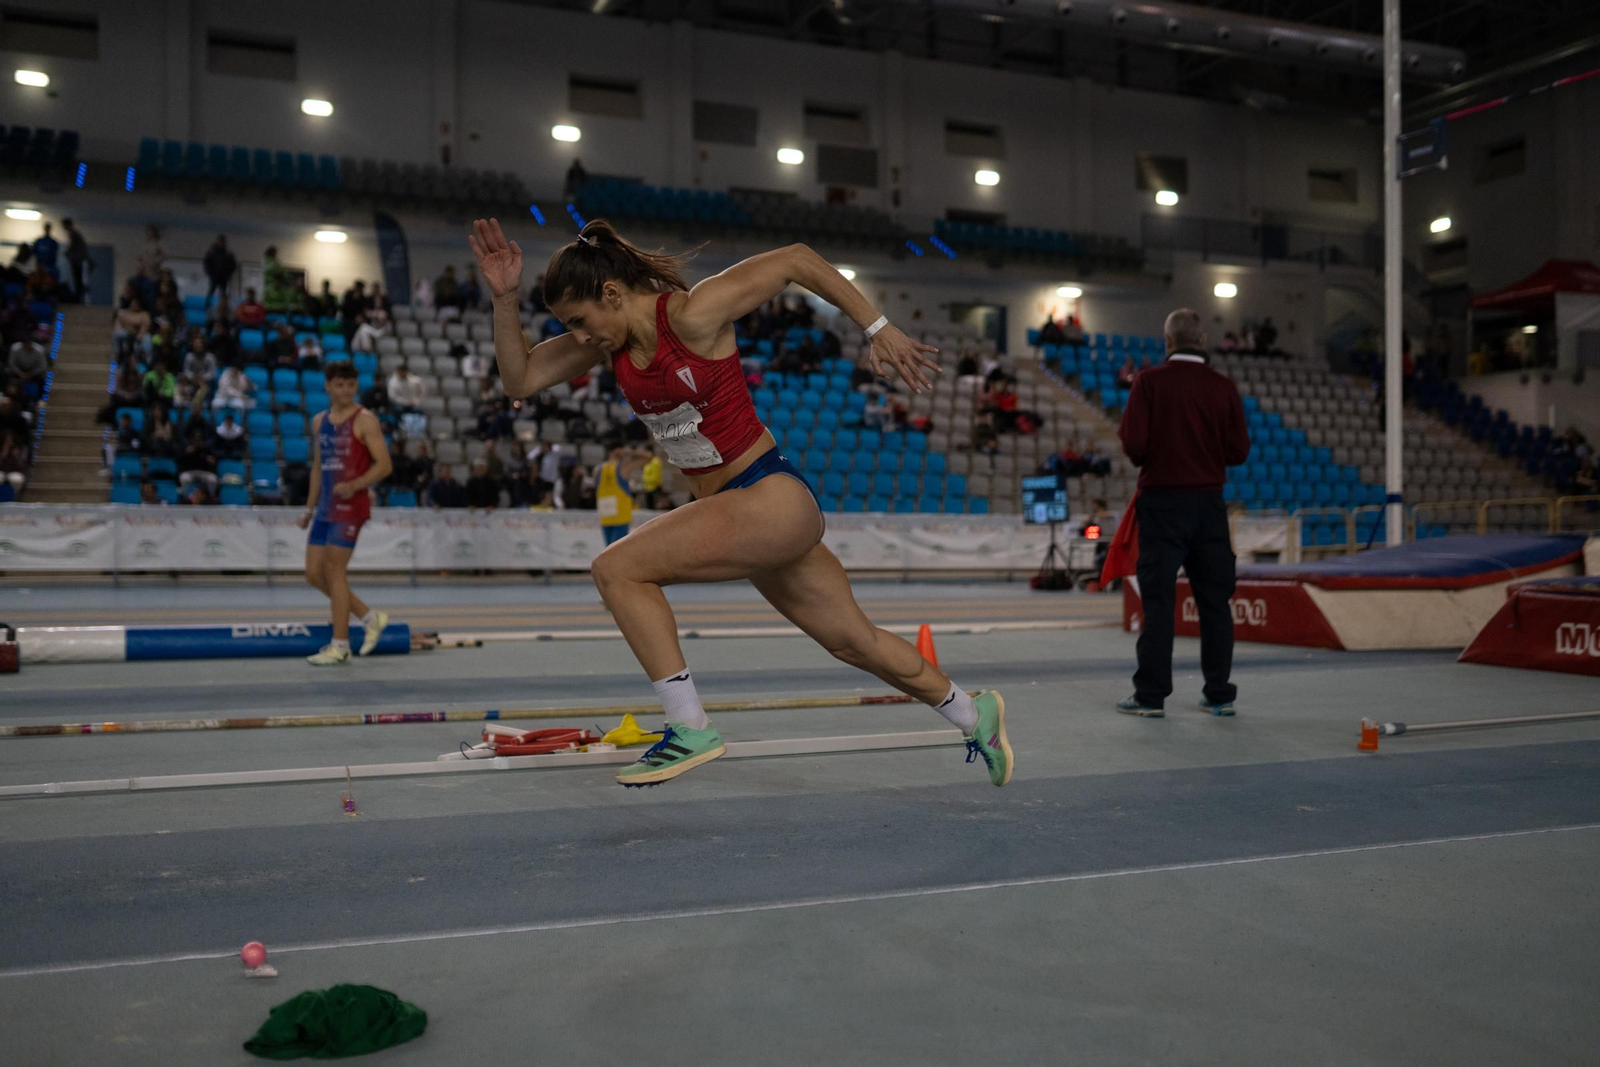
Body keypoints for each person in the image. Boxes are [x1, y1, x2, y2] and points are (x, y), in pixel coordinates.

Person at [469, 215, 1012, 788]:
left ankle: (690, 727)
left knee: (617, 569)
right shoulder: (612, 345)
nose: (577, 337)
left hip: (767, 495)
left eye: (578, 322)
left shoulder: (692, 314)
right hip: (743, 514)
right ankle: (974, 714)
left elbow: (797, 256)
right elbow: (520, 379)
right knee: (854, 642)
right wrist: (505, 300)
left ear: (611, 293)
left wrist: (878, 327)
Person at [1115, 307, 1251, 718]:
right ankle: (1219, 693)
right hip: (1209, 505)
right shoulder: (1223, 387)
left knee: (1158, 602)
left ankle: (1151, 696)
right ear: (1203, 342)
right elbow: (1239, 452)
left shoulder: (1149, 383)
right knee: (1215, 601)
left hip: (1162, 504)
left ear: (1168, 341)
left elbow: (1135, 445)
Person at [297, 361, 393, 666]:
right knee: (313, 574)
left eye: (350, 385)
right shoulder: (319, 422)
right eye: (339, 385)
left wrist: (355, 485)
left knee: (335, 574)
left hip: (351, 507)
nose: (345, 390)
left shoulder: (365, 420)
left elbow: (385, 465)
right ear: (327, 386)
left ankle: (340, 645)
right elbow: (317, 468)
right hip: (326, 506)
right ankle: (369, 616)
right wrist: (309, 509)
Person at [60, 218, 89, 304]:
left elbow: (72, 246)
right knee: (78, 280)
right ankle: (78, 298)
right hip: (77, 260)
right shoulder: (74, 234)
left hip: (77, 260)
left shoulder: (73, 234)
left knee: (78, 280)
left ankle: (78, 299)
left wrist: (67, 253)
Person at [203, 235, 237, 307]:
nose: (222, 243)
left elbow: (233, 265)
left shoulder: (228, 254)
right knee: (211, 291)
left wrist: (228, 274)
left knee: (223, 292)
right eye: (221, 242)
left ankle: (224, 307)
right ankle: (206, 306)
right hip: (214, 276)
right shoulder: (212, 253)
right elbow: (206, 264)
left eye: (223, 242)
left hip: (224, 277)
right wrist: (210, 273)